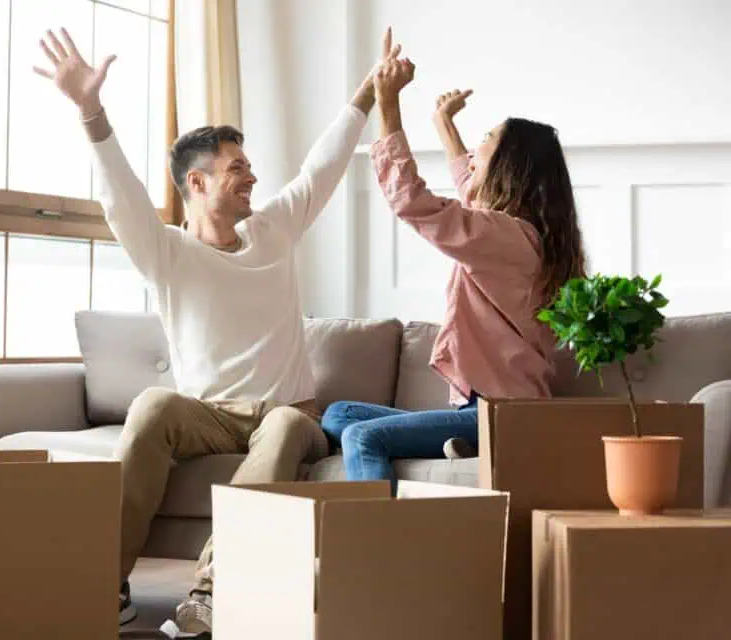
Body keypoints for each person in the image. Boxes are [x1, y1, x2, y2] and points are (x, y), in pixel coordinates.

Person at [34, 26, 397, 634]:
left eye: (250, 166)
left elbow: (322, 168)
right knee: (152, 405)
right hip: (210, 415)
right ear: (196, 184)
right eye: (237, 168)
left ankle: (210, 592)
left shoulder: (273, 231)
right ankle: (101, 582)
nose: (252, 177)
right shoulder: (166, 253)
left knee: (284, 422)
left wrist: (366, 93)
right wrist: (90, 110)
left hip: (289, 411)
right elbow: (120, 196)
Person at [321, 38, 587, 490]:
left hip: (502, 413)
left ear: (508, 165)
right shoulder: (517, 232)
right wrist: (443, 124)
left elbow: (412, 202)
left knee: (363, 436)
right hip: (484, 411)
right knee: (338, 414)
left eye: (486, 140)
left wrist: (388, 102)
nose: (475, 150)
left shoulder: (507, 237)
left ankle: (372, 551)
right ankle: (461, 443)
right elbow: (472, 189)